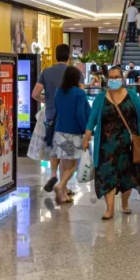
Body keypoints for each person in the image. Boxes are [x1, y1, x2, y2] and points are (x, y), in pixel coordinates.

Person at [83, 66, 140, 220]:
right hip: (105, 145)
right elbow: (92, 119)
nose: (114, 79)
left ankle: (124, 203)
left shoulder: (132, 96)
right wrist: (86, 136)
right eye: (111, 77)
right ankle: (109, 209)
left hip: (127, 145)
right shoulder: (101, 98)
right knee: (107, 174)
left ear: (122, 78)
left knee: (127, 175)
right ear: (107, 79)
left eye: (117, 77)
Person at [33, 43, 71, 192]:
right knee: (67, 152)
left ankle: (53, 173)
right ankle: (64, 186)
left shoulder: (46, 72)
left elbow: (35, 94)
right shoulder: (72, 72)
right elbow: (79, 94)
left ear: (56, 56)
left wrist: (44, 99)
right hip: (68, 117)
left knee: (54, 148)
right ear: (68, 56)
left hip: (51, 116)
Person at [52, 66, 91, 203]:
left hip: (59, 131)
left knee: (63, 163)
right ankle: (60, 185)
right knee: (73, 165)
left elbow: (57, 109)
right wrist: (86, 129)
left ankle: (63, 195)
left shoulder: (58, 92)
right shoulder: (79, 93)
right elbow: (80, 114)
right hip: (73, 133)